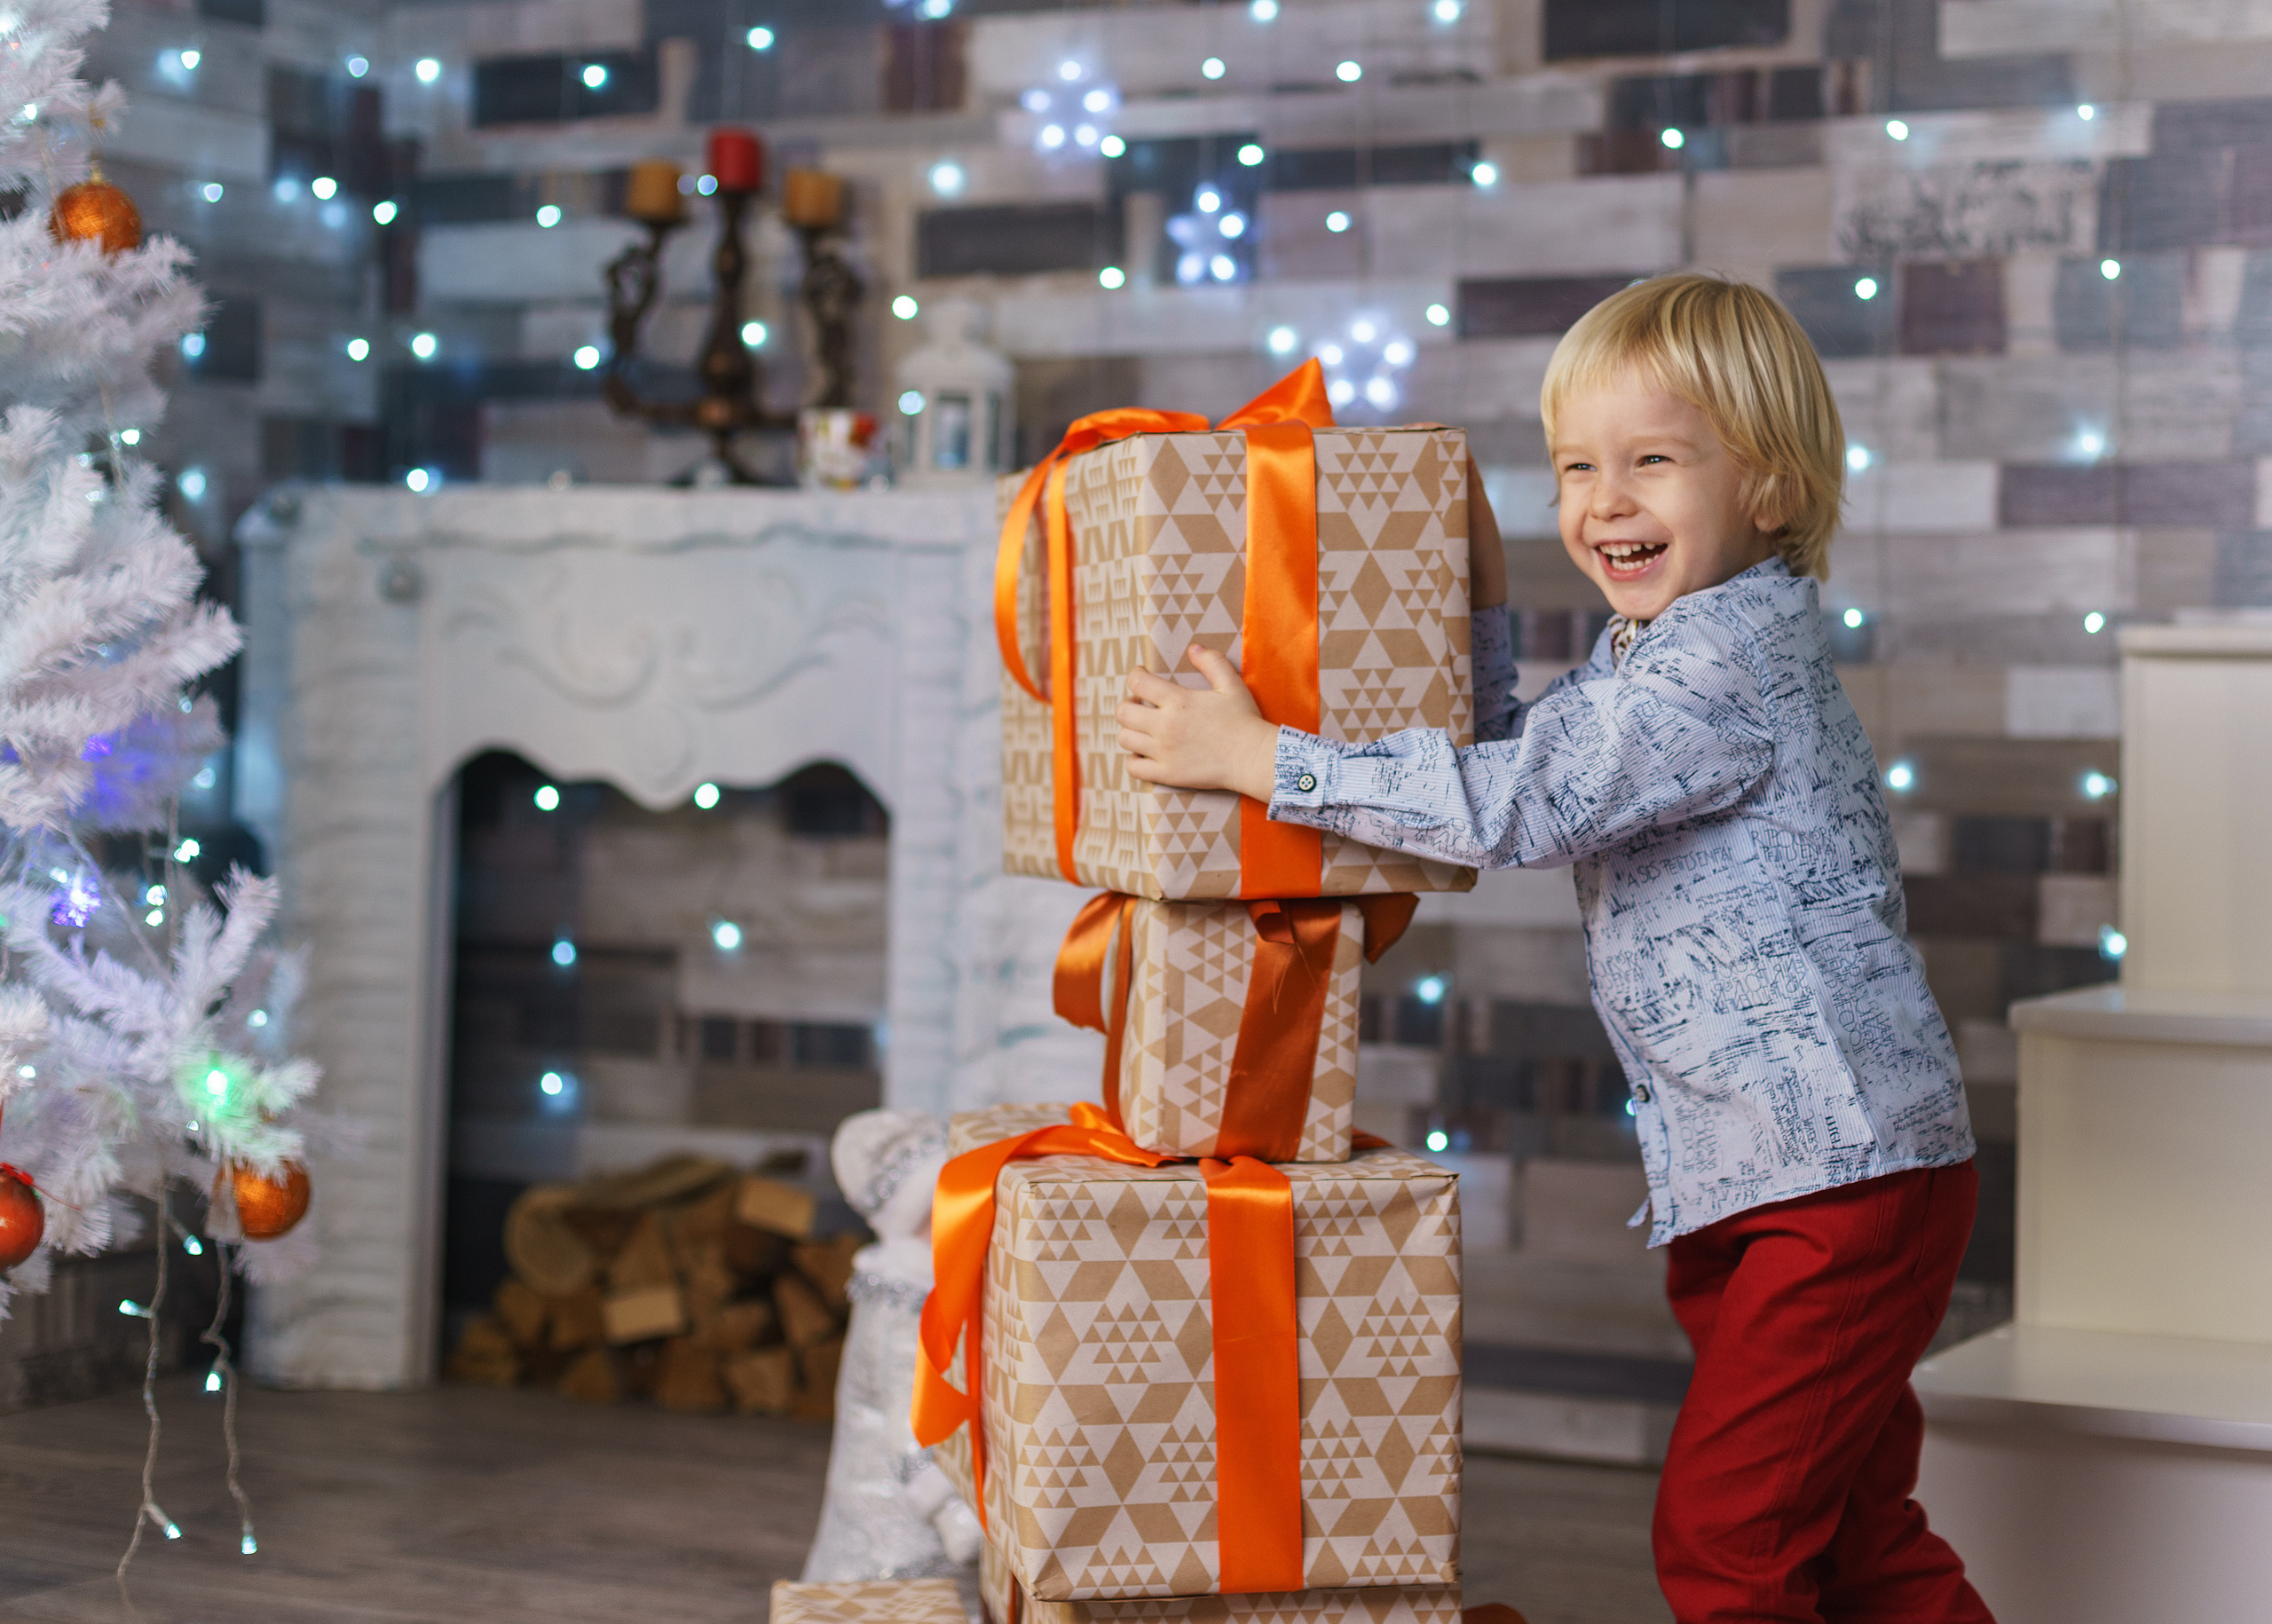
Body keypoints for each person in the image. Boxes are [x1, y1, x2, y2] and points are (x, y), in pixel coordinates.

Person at [1115, 273, 1992, 1624]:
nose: (1605, 501)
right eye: (1577, 466)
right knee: (1856, 1532)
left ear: (1769, 487)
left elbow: (1514, 805)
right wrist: (1473, 599)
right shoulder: (1660, 650)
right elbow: (1524, 751)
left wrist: (1255, 758)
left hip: (1837, 1172)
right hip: (1762, 1168)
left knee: (1728, 1539)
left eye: (1654, 461)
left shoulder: (1720, 668)